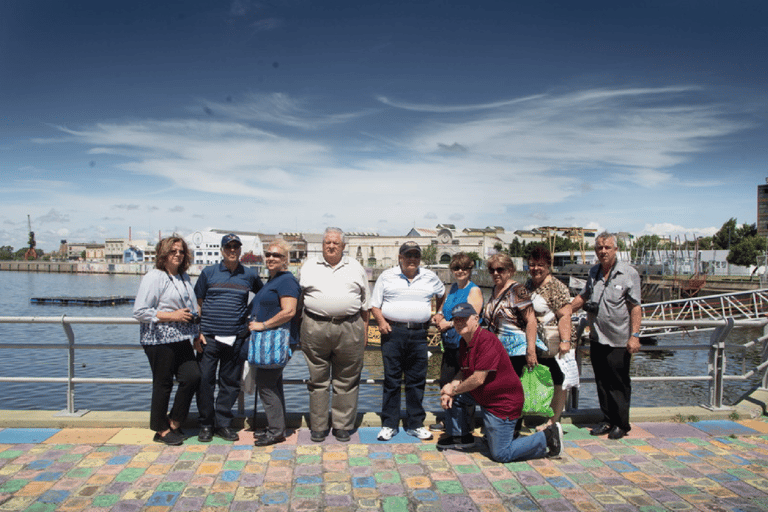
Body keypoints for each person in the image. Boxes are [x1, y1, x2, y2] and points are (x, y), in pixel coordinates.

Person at [439, 303, 563, 461]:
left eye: (463, 319)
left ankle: (547, 436)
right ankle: (461, 437)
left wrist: (454, 390)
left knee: (501, 454)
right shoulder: (465, 341)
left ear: (476, 319)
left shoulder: (486, 340)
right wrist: (450, 386)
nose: (459, 323)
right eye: (456, 320)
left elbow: (478, 378)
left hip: (502, 403)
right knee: (451, 395)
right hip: (484, 396)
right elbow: (464, 371)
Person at [299, 228, 370, 443]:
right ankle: (319, 426)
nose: (331, 246)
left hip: (349, 327)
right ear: (322, 244)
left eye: (335, 243)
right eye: (327, 242)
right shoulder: (309, 266)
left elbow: (365, 304)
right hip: (315, 327)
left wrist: (364, 332)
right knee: (317, 379)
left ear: (343, 246)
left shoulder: (356, 267)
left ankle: (342, 425)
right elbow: (298, 298)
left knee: (347, 379)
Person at [371, 241, 445, 441]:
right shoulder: (387, 276)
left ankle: (415, 424)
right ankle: (389, 424)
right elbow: (374, 305)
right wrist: (380, 321)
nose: (412, 259)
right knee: (392, 380)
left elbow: (442, 293)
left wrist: (438, 312)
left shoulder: (430, 276)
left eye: (416, 256)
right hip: (393, 333)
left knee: (416, 380)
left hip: (420, 335)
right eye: (408, 255)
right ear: (400, 257)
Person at [571, 232, 642, 440]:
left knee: (618, 382)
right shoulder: (593, 272)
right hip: (597, 338)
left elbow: (635, 307)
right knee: (601, 381)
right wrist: (566, 310)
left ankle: (621, 423)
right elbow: (584, 297)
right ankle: (607, 419)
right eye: (599, 248)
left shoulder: (629, 273)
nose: (603, 251)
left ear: (615, 250)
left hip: (619, 339)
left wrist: (635, 336)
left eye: (607, 247)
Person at [133, 236, 202, 446]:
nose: (178, 255)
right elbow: (140, 311)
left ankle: (174, 421)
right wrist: (173, 316)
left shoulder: (183, 277)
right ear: (163, 253)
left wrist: (197, 332)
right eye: (173, 251)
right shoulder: (154, 277)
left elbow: (190, 308)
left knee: (193, 376)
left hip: (182, 338)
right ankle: (161, 429)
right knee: (162, 384)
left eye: (181, 251)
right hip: (158, 339)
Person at [194, 233, 263, 443]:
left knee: (230, 383)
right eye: (228, 247)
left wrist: (252, 319)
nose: (232, 250)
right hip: (209, 338)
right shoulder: (208, 273)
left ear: (240, 250)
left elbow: (262, 297)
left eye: (236, 247)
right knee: (204, 381)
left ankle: (223, 424)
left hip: (236, 337)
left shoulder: (249, 275)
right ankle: (206, 424)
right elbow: (198, 301)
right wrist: (196, 332)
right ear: (222, 250)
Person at [246, 239, 301, 447]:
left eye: (276, 255)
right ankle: (277, 427)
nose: (271, 258)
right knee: (273, 383)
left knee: (266, 383)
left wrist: (263, 325)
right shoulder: (273, 280)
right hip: (270, 341)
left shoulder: (286, 281)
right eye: (268, 254)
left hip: (277, 340)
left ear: (285, 259)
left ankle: (276, 431)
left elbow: (288, 311)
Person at [430, 252, 483, 434]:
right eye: (456, 268)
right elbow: (443, 308)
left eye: (464, 268)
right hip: (449, 344)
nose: (460, 271)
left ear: (470, 270)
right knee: (446, 382)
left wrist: (449, 323)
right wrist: (438, 316)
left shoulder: (473, 290)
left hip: (464, 344)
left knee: (461, 386)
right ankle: (449, 421)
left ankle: (464, 426)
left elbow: (472, 317)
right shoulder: (452, 288)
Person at [524, 246, 573, 431]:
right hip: (534, 342)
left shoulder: (556, 287)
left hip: (553, 342)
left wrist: (565, 341)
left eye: (540, 265)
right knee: (536, 377)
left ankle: (553, 420)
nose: (536, 269)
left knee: (558, 380)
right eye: (532, 265)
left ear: (548, 266)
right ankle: (535, 414)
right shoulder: (528, 285)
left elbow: (565, 315)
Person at [482, 253, 544, 376]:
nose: (495, 273)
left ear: (510, 271)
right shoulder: (495, 289)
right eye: (492, 270)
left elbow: (531, 320)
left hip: (518, 350)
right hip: (500, 350)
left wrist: (531, 351)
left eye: (500, 269)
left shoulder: (518, 290)